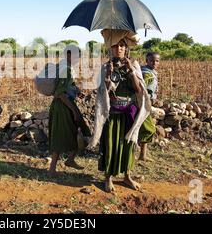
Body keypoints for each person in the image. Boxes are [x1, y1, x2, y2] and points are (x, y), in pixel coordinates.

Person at [88, 30, 151, 193]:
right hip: (112, 114)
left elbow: (138, 90)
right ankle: (108, 177)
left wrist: (131, 71)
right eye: (115, 46)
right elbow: (103, 93)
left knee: (128, 146)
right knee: (110, 145)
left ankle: (127, 176)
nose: (119, 49)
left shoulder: (134, 65)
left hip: (129, 114)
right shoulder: (105, 67)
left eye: (122, 45)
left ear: (126, 48)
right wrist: (108, 74)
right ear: (110, 49)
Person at [48, 47, 91, 177]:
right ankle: (52, 170)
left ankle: (70, 159)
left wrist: (77, 91)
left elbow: (67, 86)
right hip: (62, 107)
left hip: (64, 105)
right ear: (67, 55)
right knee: (60, 135)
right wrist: (74, 111)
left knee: (74, 130)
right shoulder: (65, 69)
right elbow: (60, 94)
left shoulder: (66, 68)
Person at [138, 52, 160, 161]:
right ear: (147, 61)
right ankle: (141, 154)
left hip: (145, 104)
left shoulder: (151, 72)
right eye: (152, 60)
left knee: (144, 129)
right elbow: (141, 90)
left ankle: (142, 154)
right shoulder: (146, 74)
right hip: (142, 105)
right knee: (149, 129)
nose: (154, 63)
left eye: (157, 61)